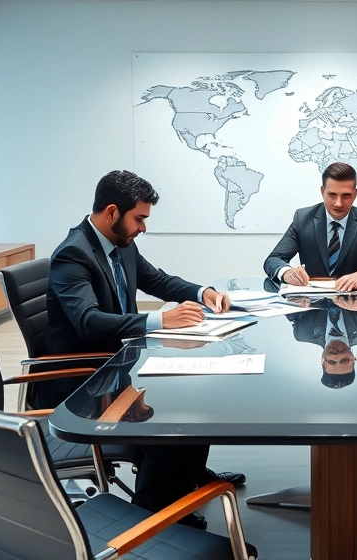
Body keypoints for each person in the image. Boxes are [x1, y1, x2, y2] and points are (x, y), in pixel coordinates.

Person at [45, 170, 244, 530]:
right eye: (139, 218)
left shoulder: (120, 244)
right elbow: (88, 321)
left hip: (121, 366)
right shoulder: (73, 255)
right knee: (176, 417)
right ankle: (153, 515)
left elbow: (158, 280)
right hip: (88, 382)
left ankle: (184, 480)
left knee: (199, 399)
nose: (143, 228)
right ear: (111, 213)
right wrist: (159, 322)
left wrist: (204, 293)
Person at [263, 162, 357, 291]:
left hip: (352, 303)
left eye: (346, 196)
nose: (338, 203)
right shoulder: (302, 219)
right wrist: (287, 273)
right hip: (312, 303)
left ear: (355, 194)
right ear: (322, 191)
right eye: (332, 195)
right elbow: (274, 259)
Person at [288, 294, 357, 389]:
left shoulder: (303, 332)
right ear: (353, 359)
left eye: (332, 361)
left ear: (322, 361)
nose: (337, 356)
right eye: (344, 360)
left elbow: (285, 303)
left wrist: (294, 300)